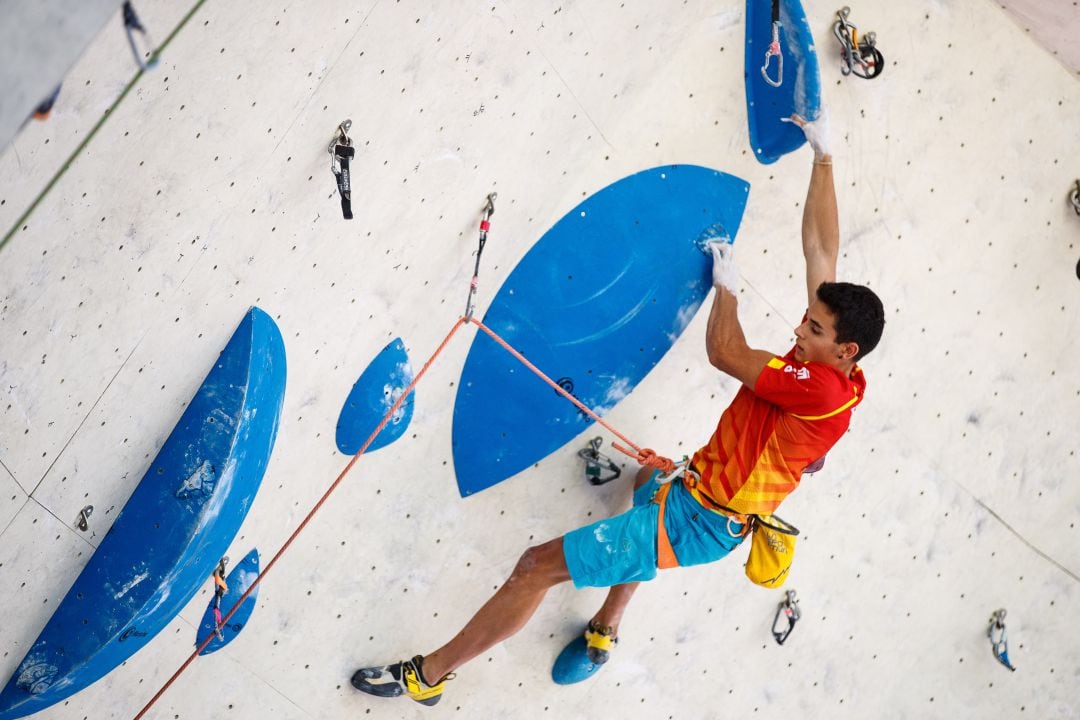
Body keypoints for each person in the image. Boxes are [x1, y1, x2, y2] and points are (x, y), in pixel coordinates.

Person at [350, 114, 886, 706]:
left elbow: (724, 351)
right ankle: (605, 629)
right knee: (645, 481)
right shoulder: (832, 361)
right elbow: (821, 249)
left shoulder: (820, 388)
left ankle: (429, 675)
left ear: (845, 349)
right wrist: (825, 156)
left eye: (811, 329)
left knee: (535, 567)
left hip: (699, 520)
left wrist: (727, 285)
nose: (799, 327)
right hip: (701, 494)